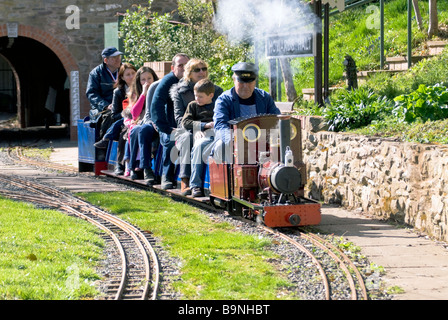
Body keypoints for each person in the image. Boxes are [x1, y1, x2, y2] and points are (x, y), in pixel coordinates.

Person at [170, 58, 223, 195]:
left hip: (212, 130)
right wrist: (199, 128)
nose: (201, 72)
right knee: (188, 138)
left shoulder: (216, 91)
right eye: (197, 70)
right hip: (187, 129)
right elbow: (181, 119)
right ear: (189, 73)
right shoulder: (181, 93)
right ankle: (186, 179)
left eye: (204, 69)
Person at [213, 62, 281, 163]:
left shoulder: (264, 98)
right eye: (242, 82)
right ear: (234, 80)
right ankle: (232, 176)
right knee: (221, 145)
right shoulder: (223, 100)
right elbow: (220, 126)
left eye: (249, 82)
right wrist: (236, 140)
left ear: (255, 81)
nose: (246, 86)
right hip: (235, 143)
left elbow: (276, 120)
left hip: (261, 141)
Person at [151, 53, 190, 190]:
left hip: (189, 124)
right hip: (168, 124)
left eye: (187, 65)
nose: (184, 68)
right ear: (173, 68)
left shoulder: (193, 80)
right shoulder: (168, 81)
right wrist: (165, 127)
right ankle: (166, 176)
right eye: (180, 65)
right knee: (172, 140)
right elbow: (156, 104)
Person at [181, 79, 217, 197]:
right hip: (201, 133)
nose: (197, 99)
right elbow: (185, 122)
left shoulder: (217, 105)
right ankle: (195, 185)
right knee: (199, 146)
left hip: (217, 132)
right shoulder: (193, 106)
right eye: (196, 95)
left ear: (210, 95)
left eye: (200, 97)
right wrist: (202, 126)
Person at [123, 66, 158, 179]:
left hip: (152, 124)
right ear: (139, 81)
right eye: (143, 79)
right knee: (136, 130)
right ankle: (134, 166)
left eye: (149, 78)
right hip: (138, 123)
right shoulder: (135, 94)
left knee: (142, 130)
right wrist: (143, 94)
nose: (146, 82)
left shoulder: (158, 91)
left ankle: (141, 166)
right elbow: (134, 114)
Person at [86, 47, 123, 118]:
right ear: (106, 60)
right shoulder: (95, 73)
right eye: (114, 57)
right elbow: (92, 94)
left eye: (118, 56)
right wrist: (105, 106)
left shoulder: (125, 70)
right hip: (103, 109)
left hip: (122, 105)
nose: (118, 59)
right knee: (108, 117)